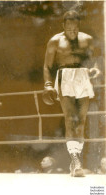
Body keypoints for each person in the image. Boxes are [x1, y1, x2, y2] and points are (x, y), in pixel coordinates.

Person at [43, 10, 101, 177]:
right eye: (69, 29)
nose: (72, 32)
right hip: (64, 77)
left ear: (78, 26)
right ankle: (75, 160)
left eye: (75, 29)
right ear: (63, 26)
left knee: (81, 119)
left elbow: (96, 59)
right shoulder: (55, 41)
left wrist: (96, 70)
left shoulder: (87, 39)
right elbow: (47, 65)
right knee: (70, 118)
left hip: (82, 76)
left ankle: (76, 159)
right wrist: (48, 84)